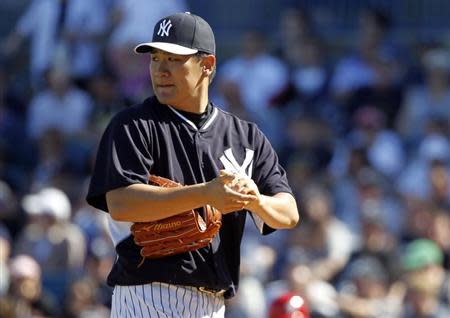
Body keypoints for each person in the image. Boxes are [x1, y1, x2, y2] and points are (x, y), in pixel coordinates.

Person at [86, 12, 299, 318]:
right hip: (147, 293)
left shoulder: (245, 137)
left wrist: (256, 200)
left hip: (213, 305)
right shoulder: (133, 125)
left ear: (207, 65)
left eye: (173, 59)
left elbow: (288, 213)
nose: (160, 69)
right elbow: (120, 203)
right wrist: (204, 194)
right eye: (155, 58)